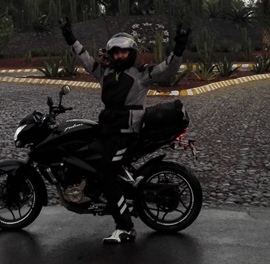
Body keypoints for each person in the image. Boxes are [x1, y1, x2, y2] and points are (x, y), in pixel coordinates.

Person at [60, 20, 191, 244]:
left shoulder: (140, 75)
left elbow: (167, 68)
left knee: (106, 174)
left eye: (124, 52)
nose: (120, 56)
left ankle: (125, 227)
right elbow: (84, 58)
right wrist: (70, 38)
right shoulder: (105, 73)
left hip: (126, 133)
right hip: (108, 130)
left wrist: (178, 49)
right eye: (116, 52)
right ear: (111, 53)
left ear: (132, 53)